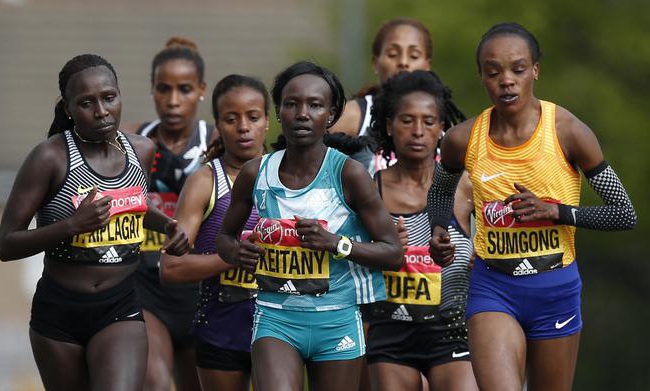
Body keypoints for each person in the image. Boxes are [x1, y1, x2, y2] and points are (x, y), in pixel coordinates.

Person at [427, 23, 637, 391]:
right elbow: (441, 192)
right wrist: (440, 229)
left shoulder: (569, 132)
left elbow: (623, 212)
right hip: (493, 288)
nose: (506, 80)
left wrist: (556, 212)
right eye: (493, 73)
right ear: (482, 78)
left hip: (555, 290)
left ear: (535, 71)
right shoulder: (462, 140)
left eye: (517, 69)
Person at [0, 54, 191, 391]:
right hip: (59, 313)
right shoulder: (50, 158)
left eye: (109, 98)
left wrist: (169, 226)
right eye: (87, 102)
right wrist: (72, 225)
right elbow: (7, 244)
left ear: (119, 97)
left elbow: (134, 208)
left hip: (121, 306)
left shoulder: (141, 151)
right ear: (68, 108)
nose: (101, 110)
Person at [215, 61, 403, 391]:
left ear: (330, 115)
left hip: (337, 319)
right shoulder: (255, 173)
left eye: (315, 105)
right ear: (279, 112)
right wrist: (239, 252)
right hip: (276, 318)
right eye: (292, 104)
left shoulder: (349, 174)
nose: (302, 113)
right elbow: (225, 240)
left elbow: (392, 253)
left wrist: (337, 244)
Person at [365, 70, 477, 391]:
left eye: (429, 122)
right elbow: (349, 261)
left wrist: (479, 259)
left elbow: (494, 242)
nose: (418, 131)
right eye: (406, 120)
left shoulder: (465, 186)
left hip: (452, 330)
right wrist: (381, 248)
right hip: (390, 331)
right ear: (389, 125)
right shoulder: (369, 189)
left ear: (442, 128)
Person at [160, 74, 269, 391]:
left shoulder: (289, 178)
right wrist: (234, 257)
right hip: (221, 329)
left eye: (253, 117)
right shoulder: (205, 182)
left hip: (280, 329)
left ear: (267, 121)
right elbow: (171, 268)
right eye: (231, 119)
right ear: (218, 125)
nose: (243, 127)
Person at [125, 36, 215, 391]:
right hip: (145, 283)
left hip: (202, 287)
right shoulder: (130, 139)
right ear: (152, 89)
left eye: (185, 89)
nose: (174, 101)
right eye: (164, 89)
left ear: (202, 90)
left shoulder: (218, 141)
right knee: (155, 383)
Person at [330, 18, 433, 175]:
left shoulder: (444, 126)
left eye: (413, 55)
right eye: (393, 54)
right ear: (375, 63)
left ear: (427, 66)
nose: (403, 62)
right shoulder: (352, 116)